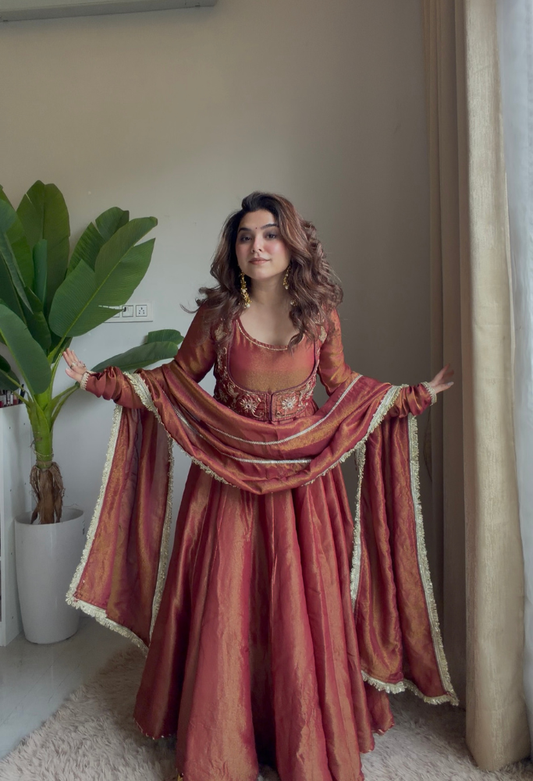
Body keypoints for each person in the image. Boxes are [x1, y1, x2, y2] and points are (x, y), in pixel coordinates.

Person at [64, 192, 455, 781]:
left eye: (270, 234)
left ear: (291, 242)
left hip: (304, 488)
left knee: (300, 609)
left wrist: (410, 397)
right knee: (228, 607)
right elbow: (173, 384)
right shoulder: (217, 317)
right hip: (226, 484)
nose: (258, 246)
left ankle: (299, 733)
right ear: (235, 249)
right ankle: (221, 737)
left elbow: (344, 389)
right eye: (245, 237)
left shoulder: (319, 316)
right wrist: (104, 383)